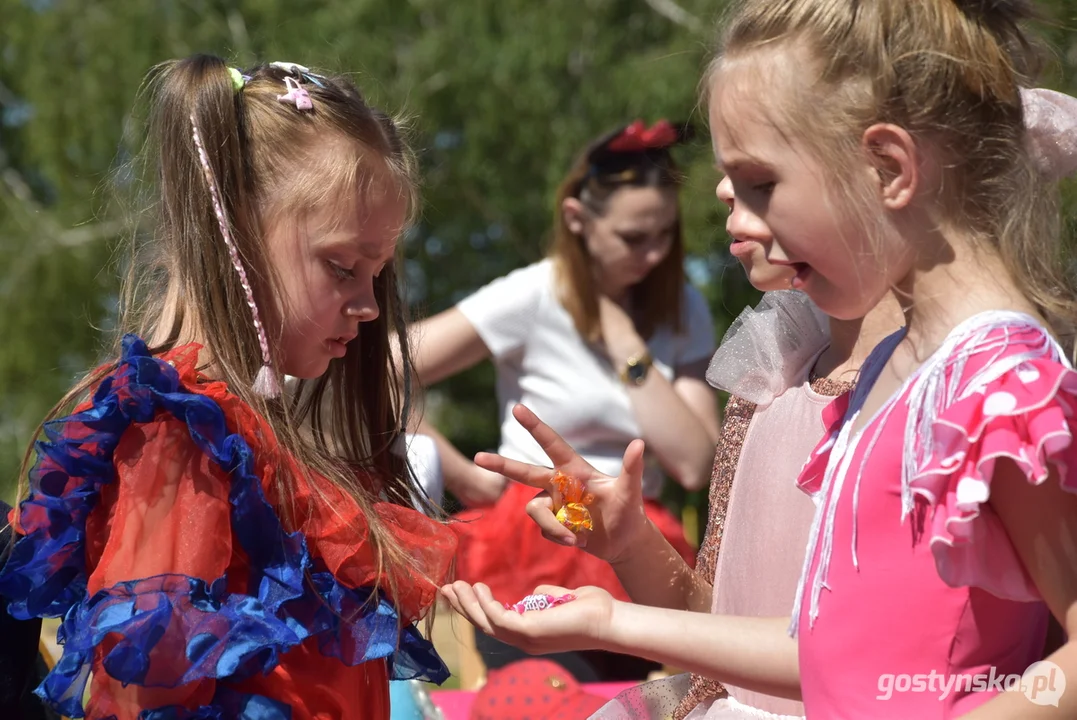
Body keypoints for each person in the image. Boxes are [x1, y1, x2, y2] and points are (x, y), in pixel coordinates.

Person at [440, 1, 1077, 717]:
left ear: (889, 167)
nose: (734, 222)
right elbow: (832, 650)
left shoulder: (1003, 382)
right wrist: (609, 620)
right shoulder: (895, 376)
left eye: (760, 184)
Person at [0, 56, 456, 720]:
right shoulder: (176, 430)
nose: (369, 306)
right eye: (342, 266)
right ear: (233, 231)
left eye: (377, 274)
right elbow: (140, 699)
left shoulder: (244, 429)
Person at [409, 121, 720, 681]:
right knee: (545, 700)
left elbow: (696, 463)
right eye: (633, 237)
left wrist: (625, 341)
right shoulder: (536, 292)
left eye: (666, 235)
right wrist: (461, 475)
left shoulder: (684, 308)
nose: (654, 255)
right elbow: (382, 367)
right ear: (577, 219)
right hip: (540, 529)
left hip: (637, 540)